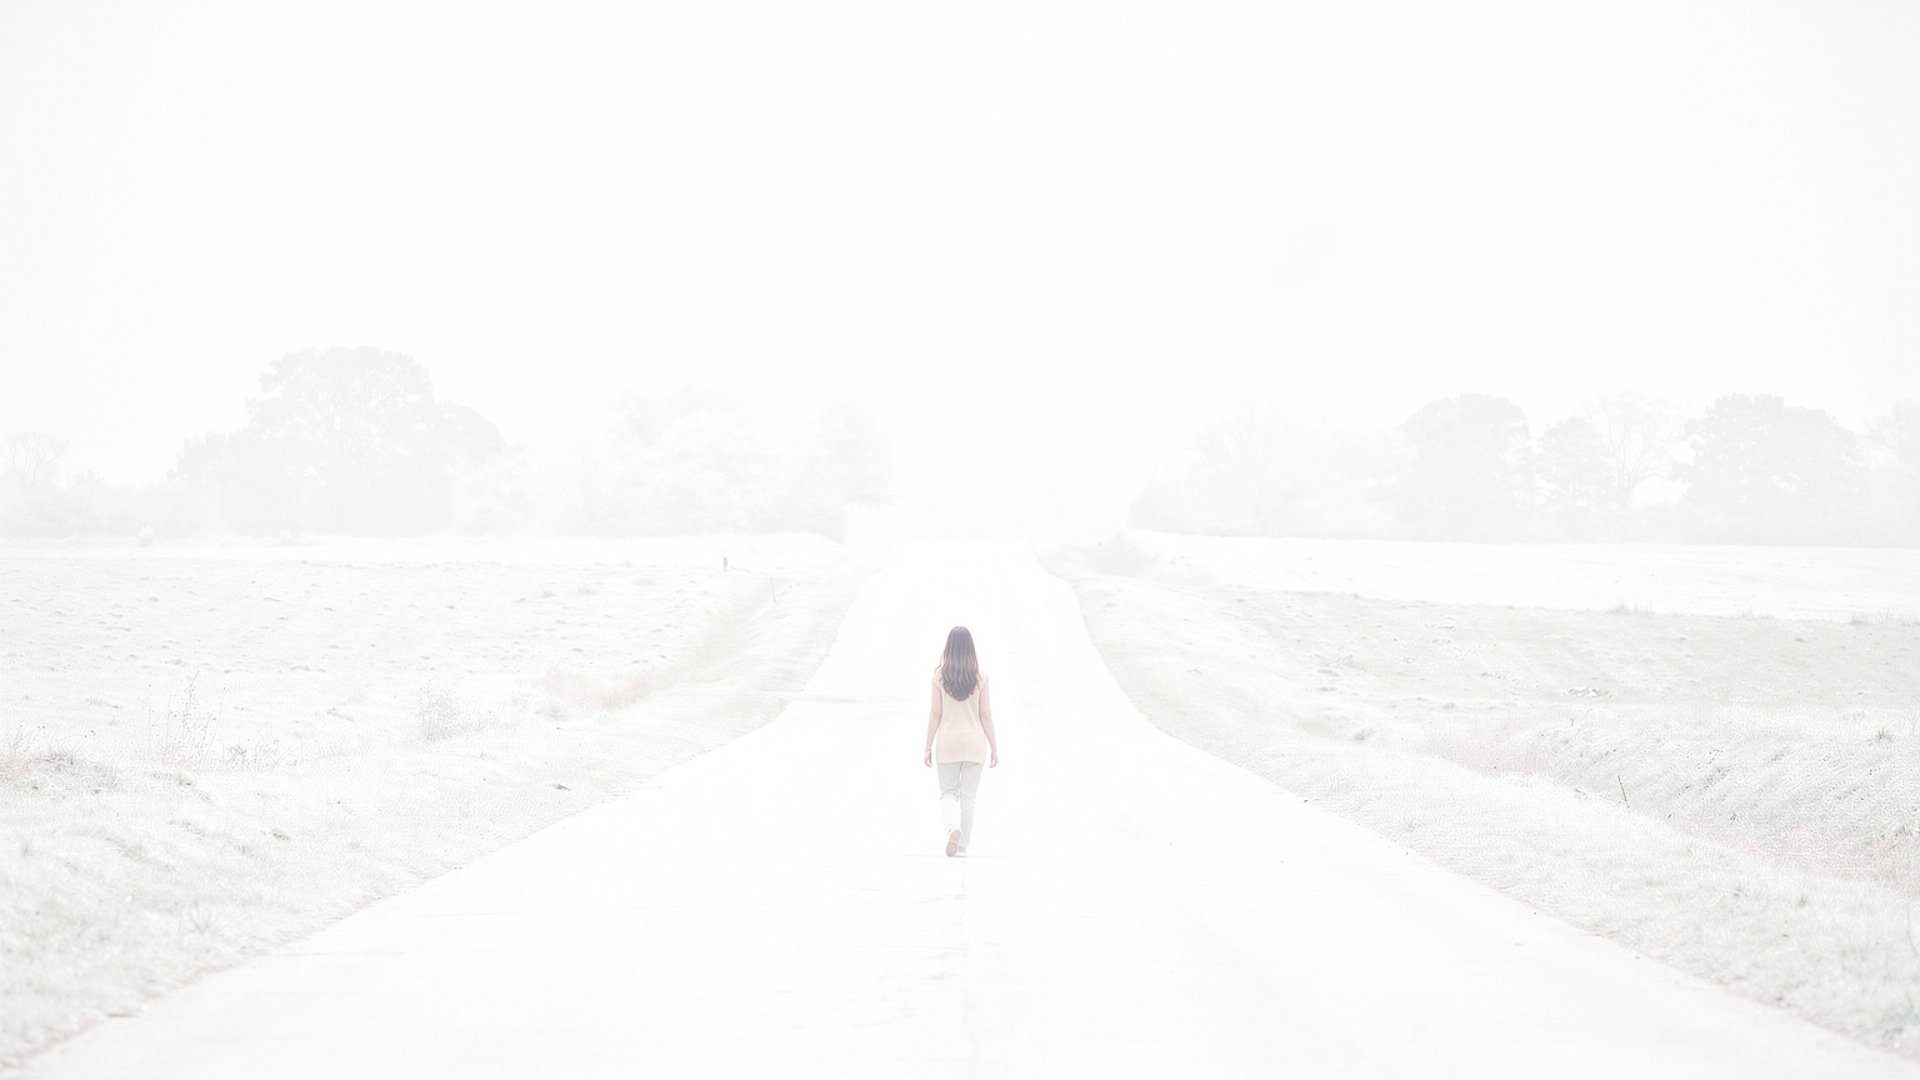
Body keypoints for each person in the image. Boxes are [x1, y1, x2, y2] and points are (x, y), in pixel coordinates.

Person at [922, 625, 999, 857]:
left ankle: (952, 827)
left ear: (949, 648)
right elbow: (986, 714)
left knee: (948, 793)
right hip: (974, 744)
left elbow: (935, 713)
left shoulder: (938, 677)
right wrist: (995, 747)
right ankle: (963, 845)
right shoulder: (981, 677)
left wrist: (927, 746)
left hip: (947, 743)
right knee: (969, 797)